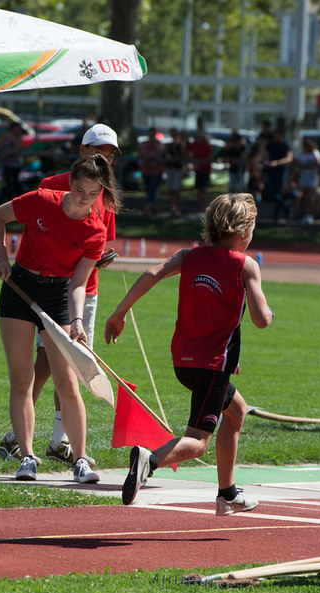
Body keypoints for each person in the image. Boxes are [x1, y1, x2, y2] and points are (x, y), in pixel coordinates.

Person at [105, 193, 273, 512]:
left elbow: (152, 273)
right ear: (243, 233)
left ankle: (227, 494)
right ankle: (149, 459)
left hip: (183, 362)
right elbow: (261, 320)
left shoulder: (188, 256)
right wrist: (269, 312)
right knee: (197, 441)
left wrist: (120, 312)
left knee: (236, 412)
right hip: (213, 367)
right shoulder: (246, 265)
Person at [0, 155, 120, 484]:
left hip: (58, 293)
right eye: (78, 190)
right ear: (70, 182)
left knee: (68, 380)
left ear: (101, 192)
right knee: (22, 378)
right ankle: (27, 457)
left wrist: (77, 320)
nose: (83, 198)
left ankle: (80, 460)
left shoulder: (95, 230)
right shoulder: (41, 200)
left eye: (92, 193)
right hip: (19, 286)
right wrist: (1, 258)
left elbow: (78, 283)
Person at [262, 128, 293, 221]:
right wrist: (265, 162)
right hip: (271, 172)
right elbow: (265, 155)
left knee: (278, 193)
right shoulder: (270, 144)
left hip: (281, 171)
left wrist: (277, 162)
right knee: (271, 192)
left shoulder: (285, 145)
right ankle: (286, 208)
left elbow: (289, 158)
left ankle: (276, 215)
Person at [137, 127, 165, 216]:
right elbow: (140, 153)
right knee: (150, 190)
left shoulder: (159, 144)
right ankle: (154, 208)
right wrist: (149, 157)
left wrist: (148, 157)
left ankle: (147, 208)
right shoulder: (143, 144)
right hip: (146, 171)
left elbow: (158, 154)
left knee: (153, 189)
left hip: (156, 171)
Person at [294, 138, 320, 224]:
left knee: (310, 196)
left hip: (312, 177)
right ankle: (301, 214)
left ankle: (310, 215)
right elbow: (294, 159)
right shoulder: (301, 154)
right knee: (303, 195)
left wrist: (307, 165)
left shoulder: (315, 152)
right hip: (304, 177)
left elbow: (318, 162)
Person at [188, 128, 214, 213]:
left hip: (205, 170)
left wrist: (199, 161)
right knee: (199, 189)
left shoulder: (207, 146)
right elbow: (190, 154)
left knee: (205, 189)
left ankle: (205, 206)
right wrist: (192, 162)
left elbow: (209, 158)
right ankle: (201, 207)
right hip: (198, 171)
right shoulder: (194, 145)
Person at [163, 128, 186, 217]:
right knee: (170, 190)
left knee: (176, 190)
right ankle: (172, 208)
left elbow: (183, 157)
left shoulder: (180, 145)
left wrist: (174, 159)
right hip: (170, 168)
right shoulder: (169, 145)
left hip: (177, 169)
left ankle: (177, 208)